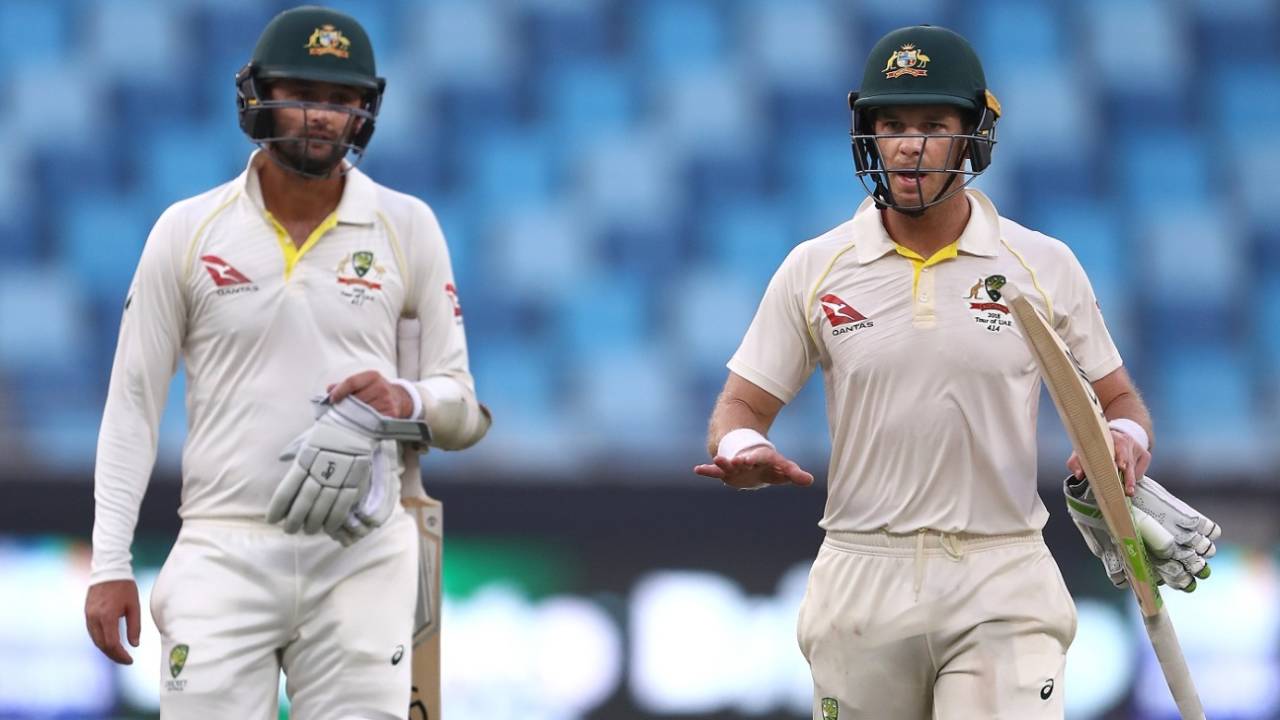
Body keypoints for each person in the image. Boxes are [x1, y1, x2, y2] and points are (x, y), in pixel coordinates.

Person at [694, 24, 1215, 719]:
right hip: (861, 574)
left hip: (1000, 573)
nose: (909, 144)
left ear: (973, 136)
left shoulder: (1040, 264)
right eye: (892, 123)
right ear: (868, 136)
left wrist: (1123, 439)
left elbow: (1118, 399)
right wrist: (742, 450)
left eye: (933, 124)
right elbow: (738, 409)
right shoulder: (815, 269)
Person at [83, 6, 489, 717]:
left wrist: (405, 401)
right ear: (259, 97)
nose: (322, 116)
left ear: (366, 110)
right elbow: (133, 402)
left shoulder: (409, 226)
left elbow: (462, 412)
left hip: (359, 552)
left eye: (342, 100)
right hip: (221, 544)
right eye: (303, 94)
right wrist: (110, 561)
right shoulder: (187, 230)